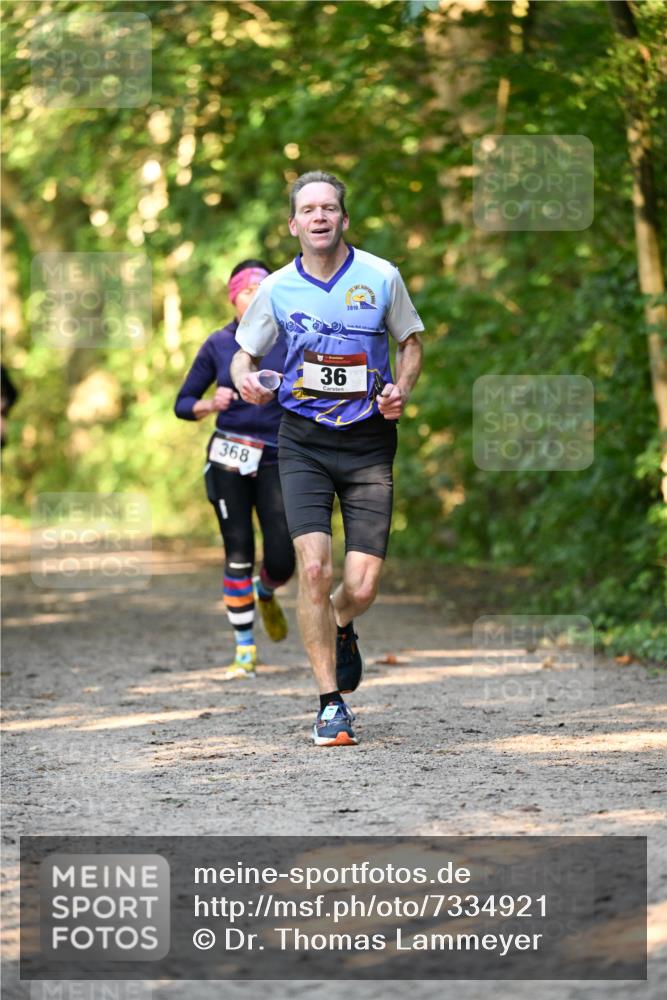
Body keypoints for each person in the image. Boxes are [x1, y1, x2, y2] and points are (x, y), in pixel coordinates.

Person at [230, 172, 424, 745]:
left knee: (360, 587)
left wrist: (402, 391)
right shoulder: (277, 288)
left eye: (329, 208)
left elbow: (410, 340)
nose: (319, 217)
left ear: (343, 220)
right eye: (308, 209)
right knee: (313, 568)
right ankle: (329, 704)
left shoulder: (381, 276)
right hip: (304, 439)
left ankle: (343, 621)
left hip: (367, 441)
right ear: (293, 224)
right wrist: (248, 384)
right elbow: (244, 354)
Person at [175, 260, 295, 678]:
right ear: (234, 298)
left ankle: (266, 592)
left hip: (280, 457)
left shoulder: (289, 338)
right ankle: (245, 649)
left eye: (263, 290)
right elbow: (182, 402)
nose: (255, 297)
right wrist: (210, 404)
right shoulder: (218, 344)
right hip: (228, 457)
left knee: (283, 560)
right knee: (239, 550)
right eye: (247, 292)